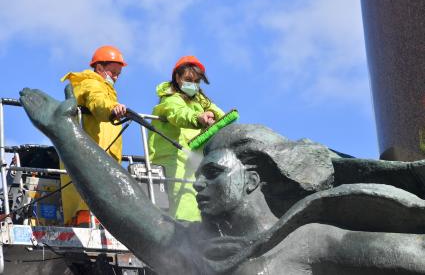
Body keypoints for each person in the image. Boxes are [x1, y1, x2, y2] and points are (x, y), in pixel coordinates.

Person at [19, 87, 425, 274]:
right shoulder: (199, 255)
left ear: (251, 179)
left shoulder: (312, 239)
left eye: (213, 173)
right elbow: (128, 208)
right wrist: (66, 133)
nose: (198, 185)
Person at [148, 55, 225, 222]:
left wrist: (208, 108)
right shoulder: (170, 100)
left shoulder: (198, 103)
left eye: (197, 81)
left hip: (194, 166)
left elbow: (223, 117)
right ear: (177, 77)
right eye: (188, 79)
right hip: (172, 164)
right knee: (182, 212)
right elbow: (179, 114)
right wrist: (199, 118)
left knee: (196, 210)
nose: (193, 84)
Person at [59, 45, 128, 226]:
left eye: (118, 74)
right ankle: (84, 219)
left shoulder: (106, 89)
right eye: (113, 72)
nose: (116, 77)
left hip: (102, 153)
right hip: (91, 151)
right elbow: (97, 102)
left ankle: (97, 219)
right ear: (99, 68)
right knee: (90, 194)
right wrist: (111, 109)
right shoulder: (91, 83)